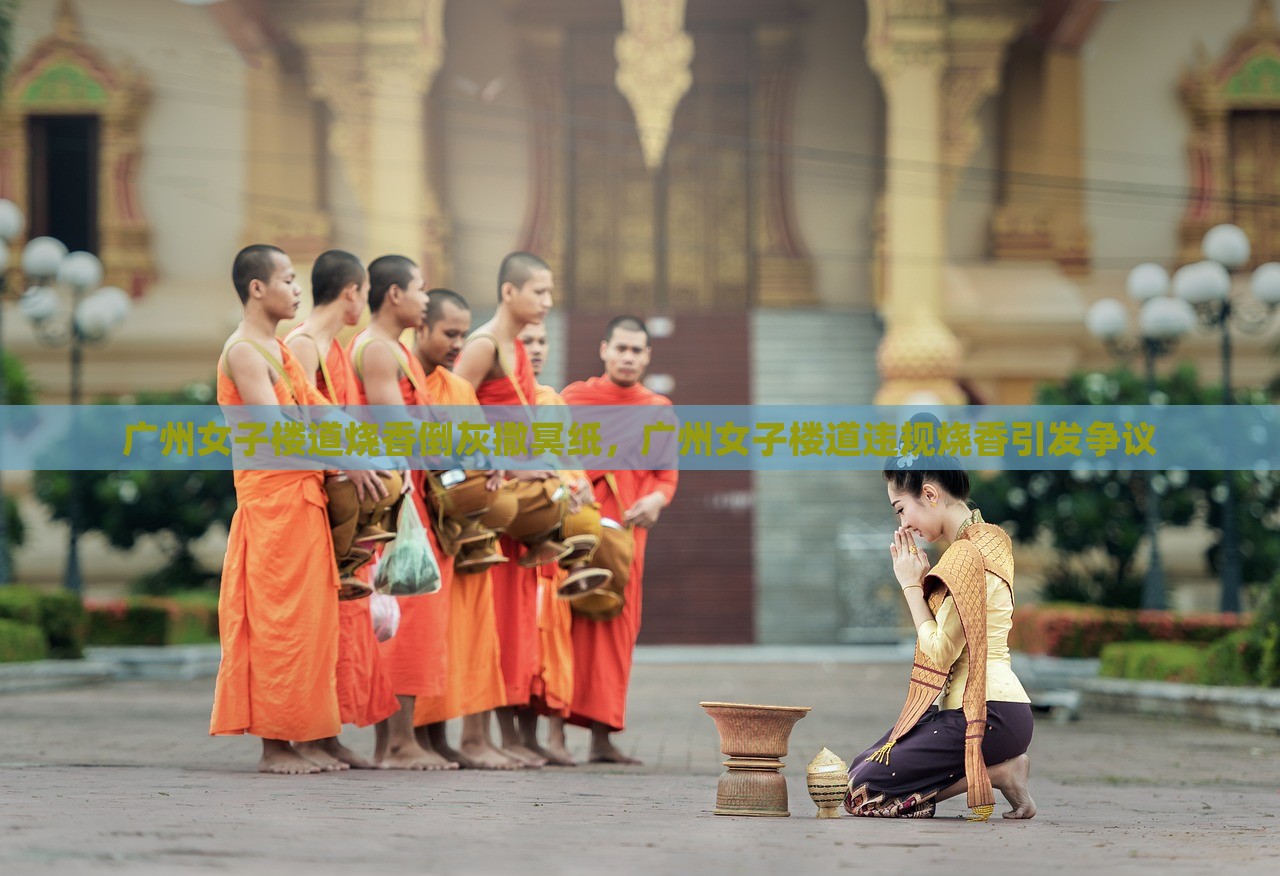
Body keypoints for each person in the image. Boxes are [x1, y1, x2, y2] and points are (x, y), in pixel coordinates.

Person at [210, 244, 380, 774]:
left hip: (302, 500)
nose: (297, 289)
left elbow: (317, 407)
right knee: (278, 623)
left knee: (315, 625)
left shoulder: (278, 349)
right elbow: (279, 434)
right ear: (257, 288)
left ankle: (316, 736)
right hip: (272, 507)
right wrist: (348, 462)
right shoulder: (243, 350)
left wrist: (370, 443)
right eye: (287, 279)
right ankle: (275, 747)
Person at [844, 423, 1035, 820]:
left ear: (929, 494)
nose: (902, 525)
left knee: (861, 792)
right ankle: (997, 768)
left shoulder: (967, 556)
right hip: (987, 709)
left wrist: (911, 586)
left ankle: (999, 770)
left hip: (987, 712)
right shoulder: (989, 539)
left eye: (901, 509)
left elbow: (941, 650)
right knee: (857, 770)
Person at [283, 249, 398, 770]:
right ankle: (303, 736)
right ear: (352, 291)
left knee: (340, 629)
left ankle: (327, 733)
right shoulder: (303, 345)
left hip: (342, 498)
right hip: (311, 495)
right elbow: (296, 427)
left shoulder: (337, 348)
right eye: (364, 291)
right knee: (309, 627)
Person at [347, 254, 456, 771]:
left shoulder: (398, 351)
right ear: (394, 295)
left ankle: (399, 740)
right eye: (420, 289)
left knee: (413, 615)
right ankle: (395, 744)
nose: (426, 299)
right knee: (400, 616)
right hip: (393, 504)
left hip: (410, 496)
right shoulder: (374, 350)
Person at [409, 288, 522, 770]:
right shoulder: (404, 376)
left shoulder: (455, 387)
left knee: (466, 636)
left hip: (464, 531)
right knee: (424, 632)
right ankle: (419, 740)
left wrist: (490, 465)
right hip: (420, 524)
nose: (459, 343)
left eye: (463, 333)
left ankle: (455, 739)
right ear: (420, 327)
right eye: (449, 333)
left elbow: (475, 443)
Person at [453, 251, 557, 767]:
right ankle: (472, 737)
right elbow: (449, 415)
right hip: (487, 502)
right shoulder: (482, 345)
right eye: (539, 291)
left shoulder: (515, 349)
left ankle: (492, 735)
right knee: (482, 622)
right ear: (508, 292)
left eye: (550, 291)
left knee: (510, 626)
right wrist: (506, 463)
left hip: (516, 508)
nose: (548, 301)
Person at [560, 316, 677, 764]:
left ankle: (602, 737)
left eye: (637, 351)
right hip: (578, 532)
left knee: (616, 631)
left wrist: (655, 501)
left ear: (647, 356)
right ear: (604, 349)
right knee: (566, 624)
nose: (628, 357)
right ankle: (553, 734)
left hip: (627, 538)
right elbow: (554, 458)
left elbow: (665, 477)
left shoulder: (657, 408)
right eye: (621, 348)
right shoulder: (573, 399)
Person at [517, 320, 592, 766]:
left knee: (558, 643)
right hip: (524, 537)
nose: (537, 349)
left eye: (543, 341)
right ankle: (522, 737)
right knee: (524, 643)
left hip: (557, 543)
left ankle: (556, 737)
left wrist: (578, 485)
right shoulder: (501, 400)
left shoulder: (551, 401)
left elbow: (568, 459)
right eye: (527, 342)